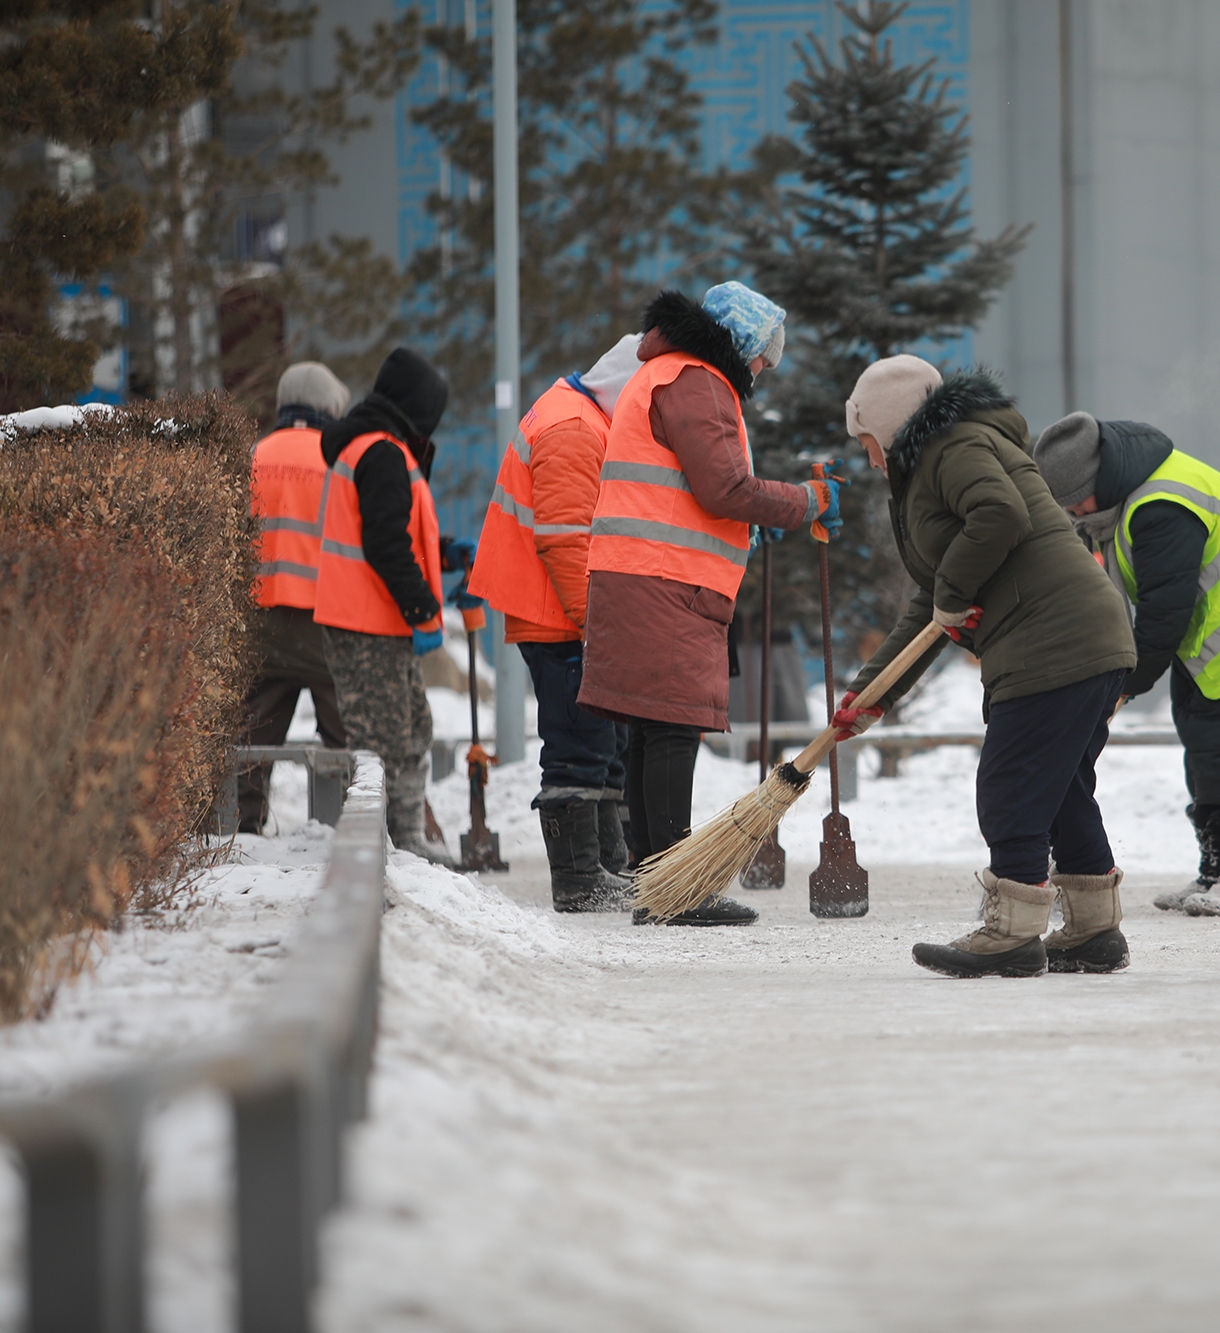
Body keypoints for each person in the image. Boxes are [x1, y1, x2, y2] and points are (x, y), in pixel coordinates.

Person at [834, 356, 1137, 978]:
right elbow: (934, 602)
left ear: (888, 425)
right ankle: (1093, 931)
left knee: (1012, 786)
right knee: (1060, 790)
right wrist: (872, 693)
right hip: (1085, 634)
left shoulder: (951, 446)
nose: (869, 459)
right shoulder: (948, 457)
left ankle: (1013, 934)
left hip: (1052, 638)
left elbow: (1000, 514)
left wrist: (952, 591)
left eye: (866, 442)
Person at [578, 282, 840, 926]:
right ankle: (675, 889)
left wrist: (750, 524)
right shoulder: (696, 380)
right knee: (671, 726)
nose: (762, 372)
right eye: (763, 358)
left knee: (652, 727)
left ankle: (656, 883)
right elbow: (724, 486)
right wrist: (806, 501)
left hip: (641, 576)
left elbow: (686, 487)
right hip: (664, 582)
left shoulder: (664, 372)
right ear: (742, 343)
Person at [1034, 413, 1220, 918]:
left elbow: (1164, 614)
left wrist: (1125, 684)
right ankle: (1213, 872)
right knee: (1204, 738)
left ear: (1100, 479)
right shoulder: (1115, 508)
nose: (1073, 511)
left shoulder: (1159, 506)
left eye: (1077, 499)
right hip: (1212, 627)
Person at [470, 336, 644, 912]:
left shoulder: (580, 415)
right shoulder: (573, 428)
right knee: (578, 743)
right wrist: (596, 626)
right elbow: (567, 540)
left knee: (603, 741)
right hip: (560, 616)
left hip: (561, 612)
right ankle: (578, 879)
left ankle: (605, 866)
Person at [315, 346, 469, 866]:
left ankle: (404, 839)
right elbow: (385, 546)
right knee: (381, 741)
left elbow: (393, 536)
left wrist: (442, 554)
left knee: (411, 728)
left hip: (375, 620)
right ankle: (383, 848)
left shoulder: (380, 448)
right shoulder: (381, 452)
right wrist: (423, 609)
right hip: (367, 624)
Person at [236, 362, 353, 832]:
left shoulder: (252, 457)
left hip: (261, 628)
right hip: (326, 627)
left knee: (249, 740)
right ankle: (353, 831)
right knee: (347, 742)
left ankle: (242, 829)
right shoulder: (340, 464)